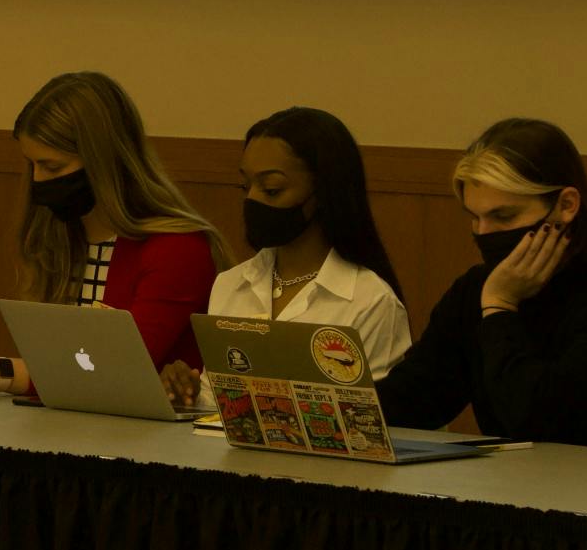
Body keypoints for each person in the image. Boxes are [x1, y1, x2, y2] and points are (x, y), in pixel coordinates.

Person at [375, 117, 587, 456]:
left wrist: (500, 309)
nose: (484, 233)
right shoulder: (476, 289)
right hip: (521, 491)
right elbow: (417, 397)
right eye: (474, 217)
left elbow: (540, 425)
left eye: (503, 217)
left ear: (565, 206)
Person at [0, 71, 227, 395]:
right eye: (31, 165)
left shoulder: (177, 250)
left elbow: (109, 368)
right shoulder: (60, 238)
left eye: (53, 168)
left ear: (104, 163)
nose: (38, 181)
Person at [162, 107, 410, 405]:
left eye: (271, 189)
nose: (252, 199)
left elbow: (377, 419)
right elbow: (218, 407)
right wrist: (185, 395)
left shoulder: (370, 300)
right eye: (246, 185)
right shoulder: (231, 284)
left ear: (322, 191)